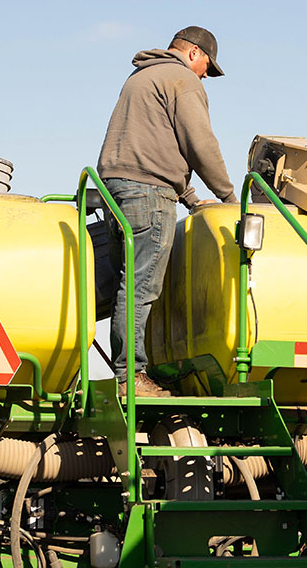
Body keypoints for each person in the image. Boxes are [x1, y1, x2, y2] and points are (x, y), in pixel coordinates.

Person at [96, 26, 236, 396]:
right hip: (148, 195)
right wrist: (228, 197)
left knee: (126, 284)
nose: (206, 74)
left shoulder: (141, 77)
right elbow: (199, 142)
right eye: (207, 65)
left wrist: (190, 199)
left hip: (115, 191)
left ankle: (128, 373)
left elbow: (153, 145)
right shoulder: (183, 80)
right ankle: (131, 378)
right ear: (193, 53)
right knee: (140, 288)